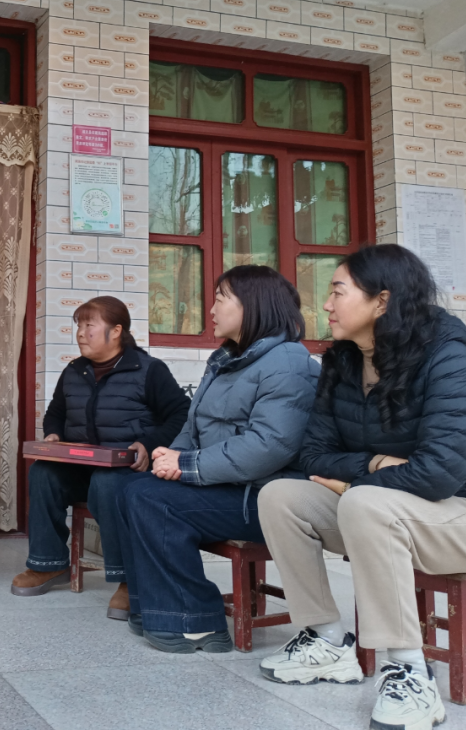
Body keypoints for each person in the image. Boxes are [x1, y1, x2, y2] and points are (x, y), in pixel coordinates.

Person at [258, 244, 466, 730]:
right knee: (281, 496)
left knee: (366, 502)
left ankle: (408, 671)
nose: (326, 304)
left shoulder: (446, 360)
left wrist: (356, 486)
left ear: (382, 301)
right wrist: (372, 463)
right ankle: (327, 640)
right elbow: (312, 455)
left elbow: (440, 473)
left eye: (338, 292)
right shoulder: (342, 363)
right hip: (389, 512)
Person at [118, 265, 320, 653]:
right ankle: (155, 606)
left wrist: (185, 466)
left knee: (154, 500)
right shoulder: (225, 359)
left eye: (220, 299)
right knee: (131, 487)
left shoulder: (289, 362)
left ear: (253, 305)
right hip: (227, 486)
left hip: (263, 498)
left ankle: (196, 620)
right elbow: (193, 425)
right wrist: (170, 455)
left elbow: (269, 446)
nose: (210, 309)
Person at [11, 295, 190, 622]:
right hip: (82, 467)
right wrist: (53, 435)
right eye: (78, 326)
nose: (80, 333)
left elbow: (181, 414)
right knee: (43, 473)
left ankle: (128, 579)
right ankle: (47, 564)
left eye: (89, 326)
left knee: (107, 483)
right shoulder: (74, 370)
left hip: (129, 470)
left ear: (116, 331)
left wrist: (148, 444)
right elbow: (56, 413)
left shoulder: (148, 370)